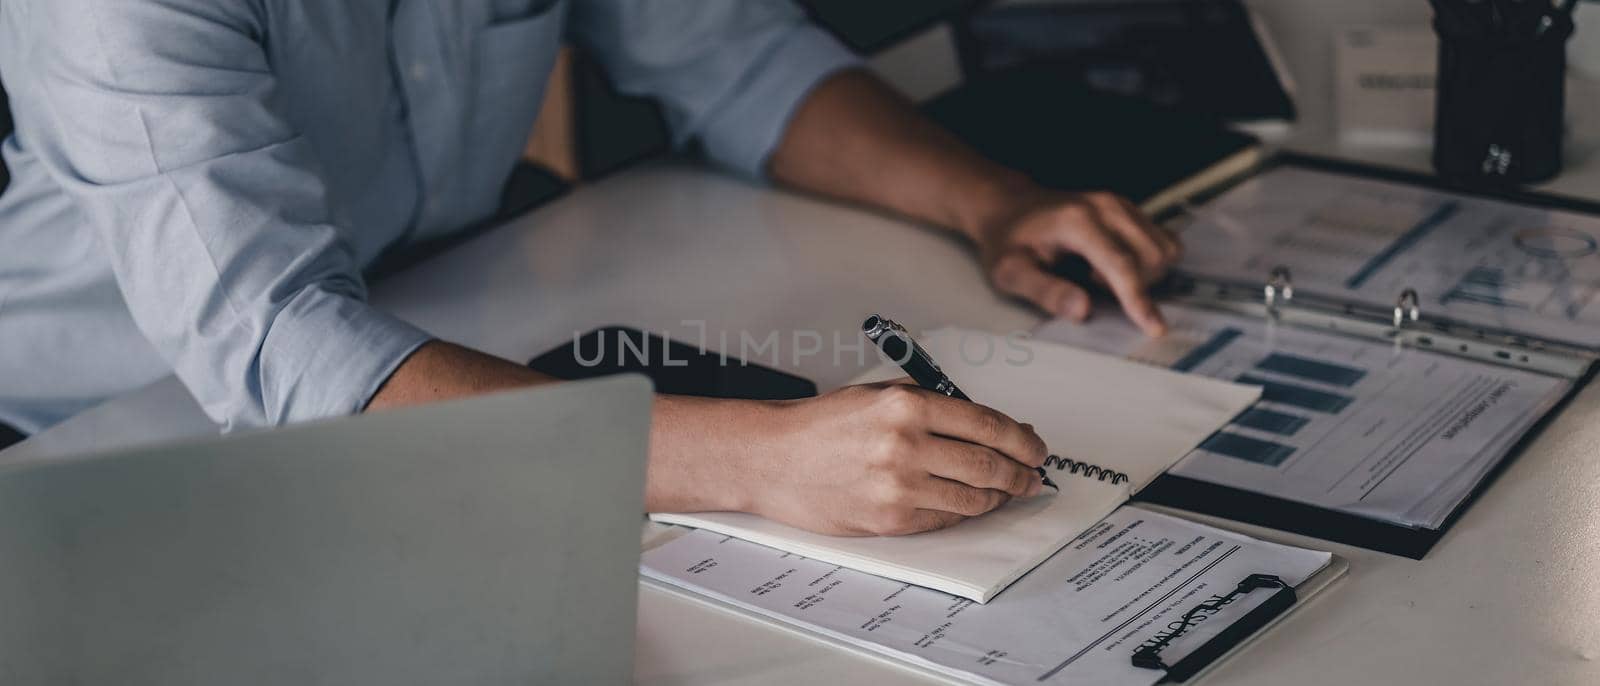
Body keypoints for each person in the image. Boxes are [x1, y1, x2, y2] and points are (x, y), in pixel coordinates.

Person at [0, 0, 1178, 536]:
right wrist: (757, 458)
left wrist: (991, 200)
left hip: (438, 326)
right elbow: (284, 354)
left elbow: (734, 55)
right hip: (96, 439)